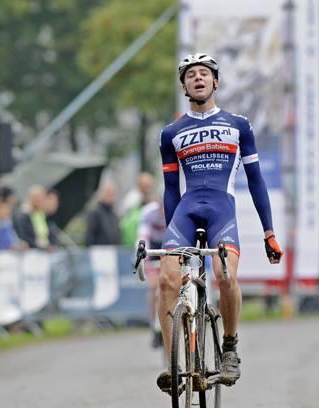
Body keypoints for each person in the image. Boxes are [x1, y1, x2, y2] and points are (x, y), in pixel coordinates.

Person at [156, 53, 282, 390]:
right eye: (191, 75)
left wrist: (268, 232)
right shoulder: (171, 133)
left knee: (225, 276)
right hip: (185, 211)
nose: (198, 78)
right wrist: (175, 245)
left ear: (216, 82)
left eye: (204, 73)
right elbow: (171, 190)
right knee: (166, 281)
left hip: (222, 211)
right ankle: (172, 363)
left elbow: (256, 180)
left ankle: (229, 348)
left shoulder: (238, 125)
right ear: (183, 86)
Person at [137, 196, 167, 348]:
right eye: (161, 207)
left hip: (169, 244)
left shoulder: (174, 210)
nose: (163, 211)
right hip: (154, 247)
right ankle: (154, 324)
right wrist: (142, 258)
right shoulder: (149, 213)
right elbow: (143, 237)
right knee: (153, 285)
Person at [120, 172, 156, 247]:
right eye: (145, 185)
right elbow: (126, 223)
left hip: (151, 241)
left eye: (149, 185)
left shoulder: (154, 201)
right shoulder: (132, 200)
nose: (148, 187)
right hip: (134, 242)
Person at [85, 180, 121, 246]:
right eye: (108, 193)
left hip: (113, 252)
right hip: (99, 252)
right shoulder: (95, 213)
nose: (110, 196)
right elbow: (89, 237)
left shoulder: (114, 214)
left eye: (112, 194)